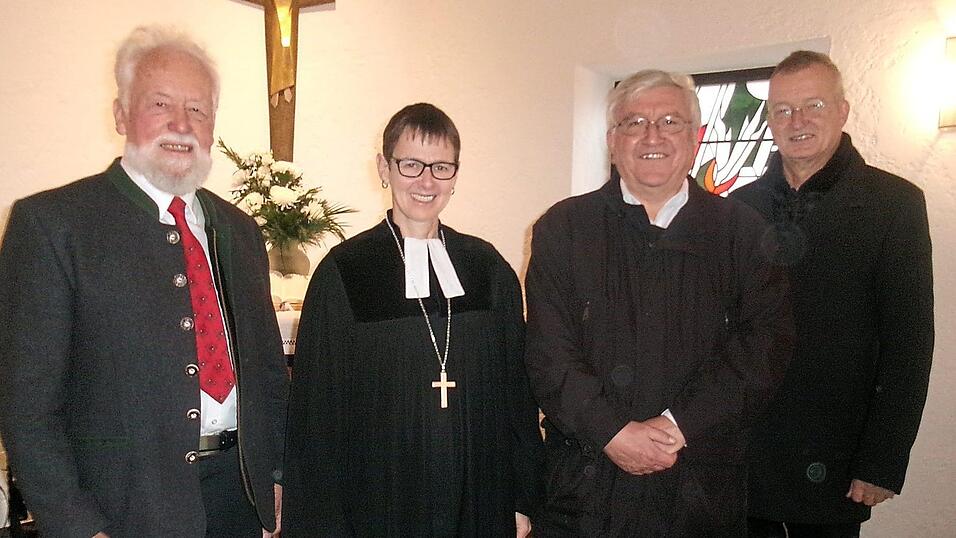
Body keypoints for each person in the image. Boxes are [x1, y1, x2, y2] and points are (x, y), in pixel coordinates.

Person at [0, 26, 288, 538]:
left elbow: (267, 375)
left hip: (238, 500)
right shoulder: (53, 225)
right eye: (160, 104)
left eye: (197, 109)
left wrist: (278, 480)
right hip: (121, 511)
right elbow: (27, 406)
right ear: (120, 113)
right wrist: (76, 525)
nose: (181, 124)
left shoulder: (240, 230)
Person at [523, 70, 794, 536]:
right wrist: (612, 431)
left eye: (670, 121)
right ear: (612, 139)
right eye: (634, 123)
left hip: (699, 486)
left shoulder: (743, 233)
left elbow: (765, 347)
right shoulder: (563, 229)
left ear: (696, 137)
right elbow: (549, 351)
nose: (652, 135)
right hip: (586, 486)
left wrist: (679, 426)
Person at [283, 103, 545, 537]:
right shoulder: (345, 271)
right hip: (378, 495)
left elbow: (517, 396)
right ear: (384, 168)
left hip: (477, 490)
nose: (426, 181)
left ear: (456, 175)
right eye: (411, 165)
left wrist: (521, 497)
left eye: (441, 167)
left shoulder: (487, 268)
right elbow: (316, 410)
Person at [732, 51, 934, 538]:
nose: (796, 121)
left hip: (836, 458)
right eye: (782, 109)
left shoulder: (893, 204)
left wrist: (883, 459)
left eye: (813, 105)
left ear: (842, 111)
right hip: (745, 455)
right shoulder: (739, 207)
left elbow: (909, 343)